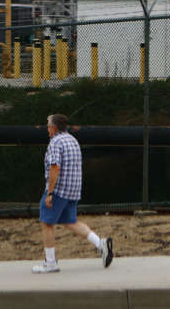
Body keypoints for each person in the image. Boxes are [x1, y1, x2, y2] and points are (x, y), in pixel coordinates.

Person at [32, 113, 114, 274]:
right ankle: (100, 243)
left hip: (59, 190)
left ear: (54, 128)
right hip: (74, 190)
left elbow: (55, 167)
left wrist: (50, 193)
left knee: (46, 223)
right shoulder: (72, 140)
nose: (47, 129)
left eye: (48, 126)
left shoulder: (55, 142)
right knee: (70, 222)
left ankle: (50, 263)